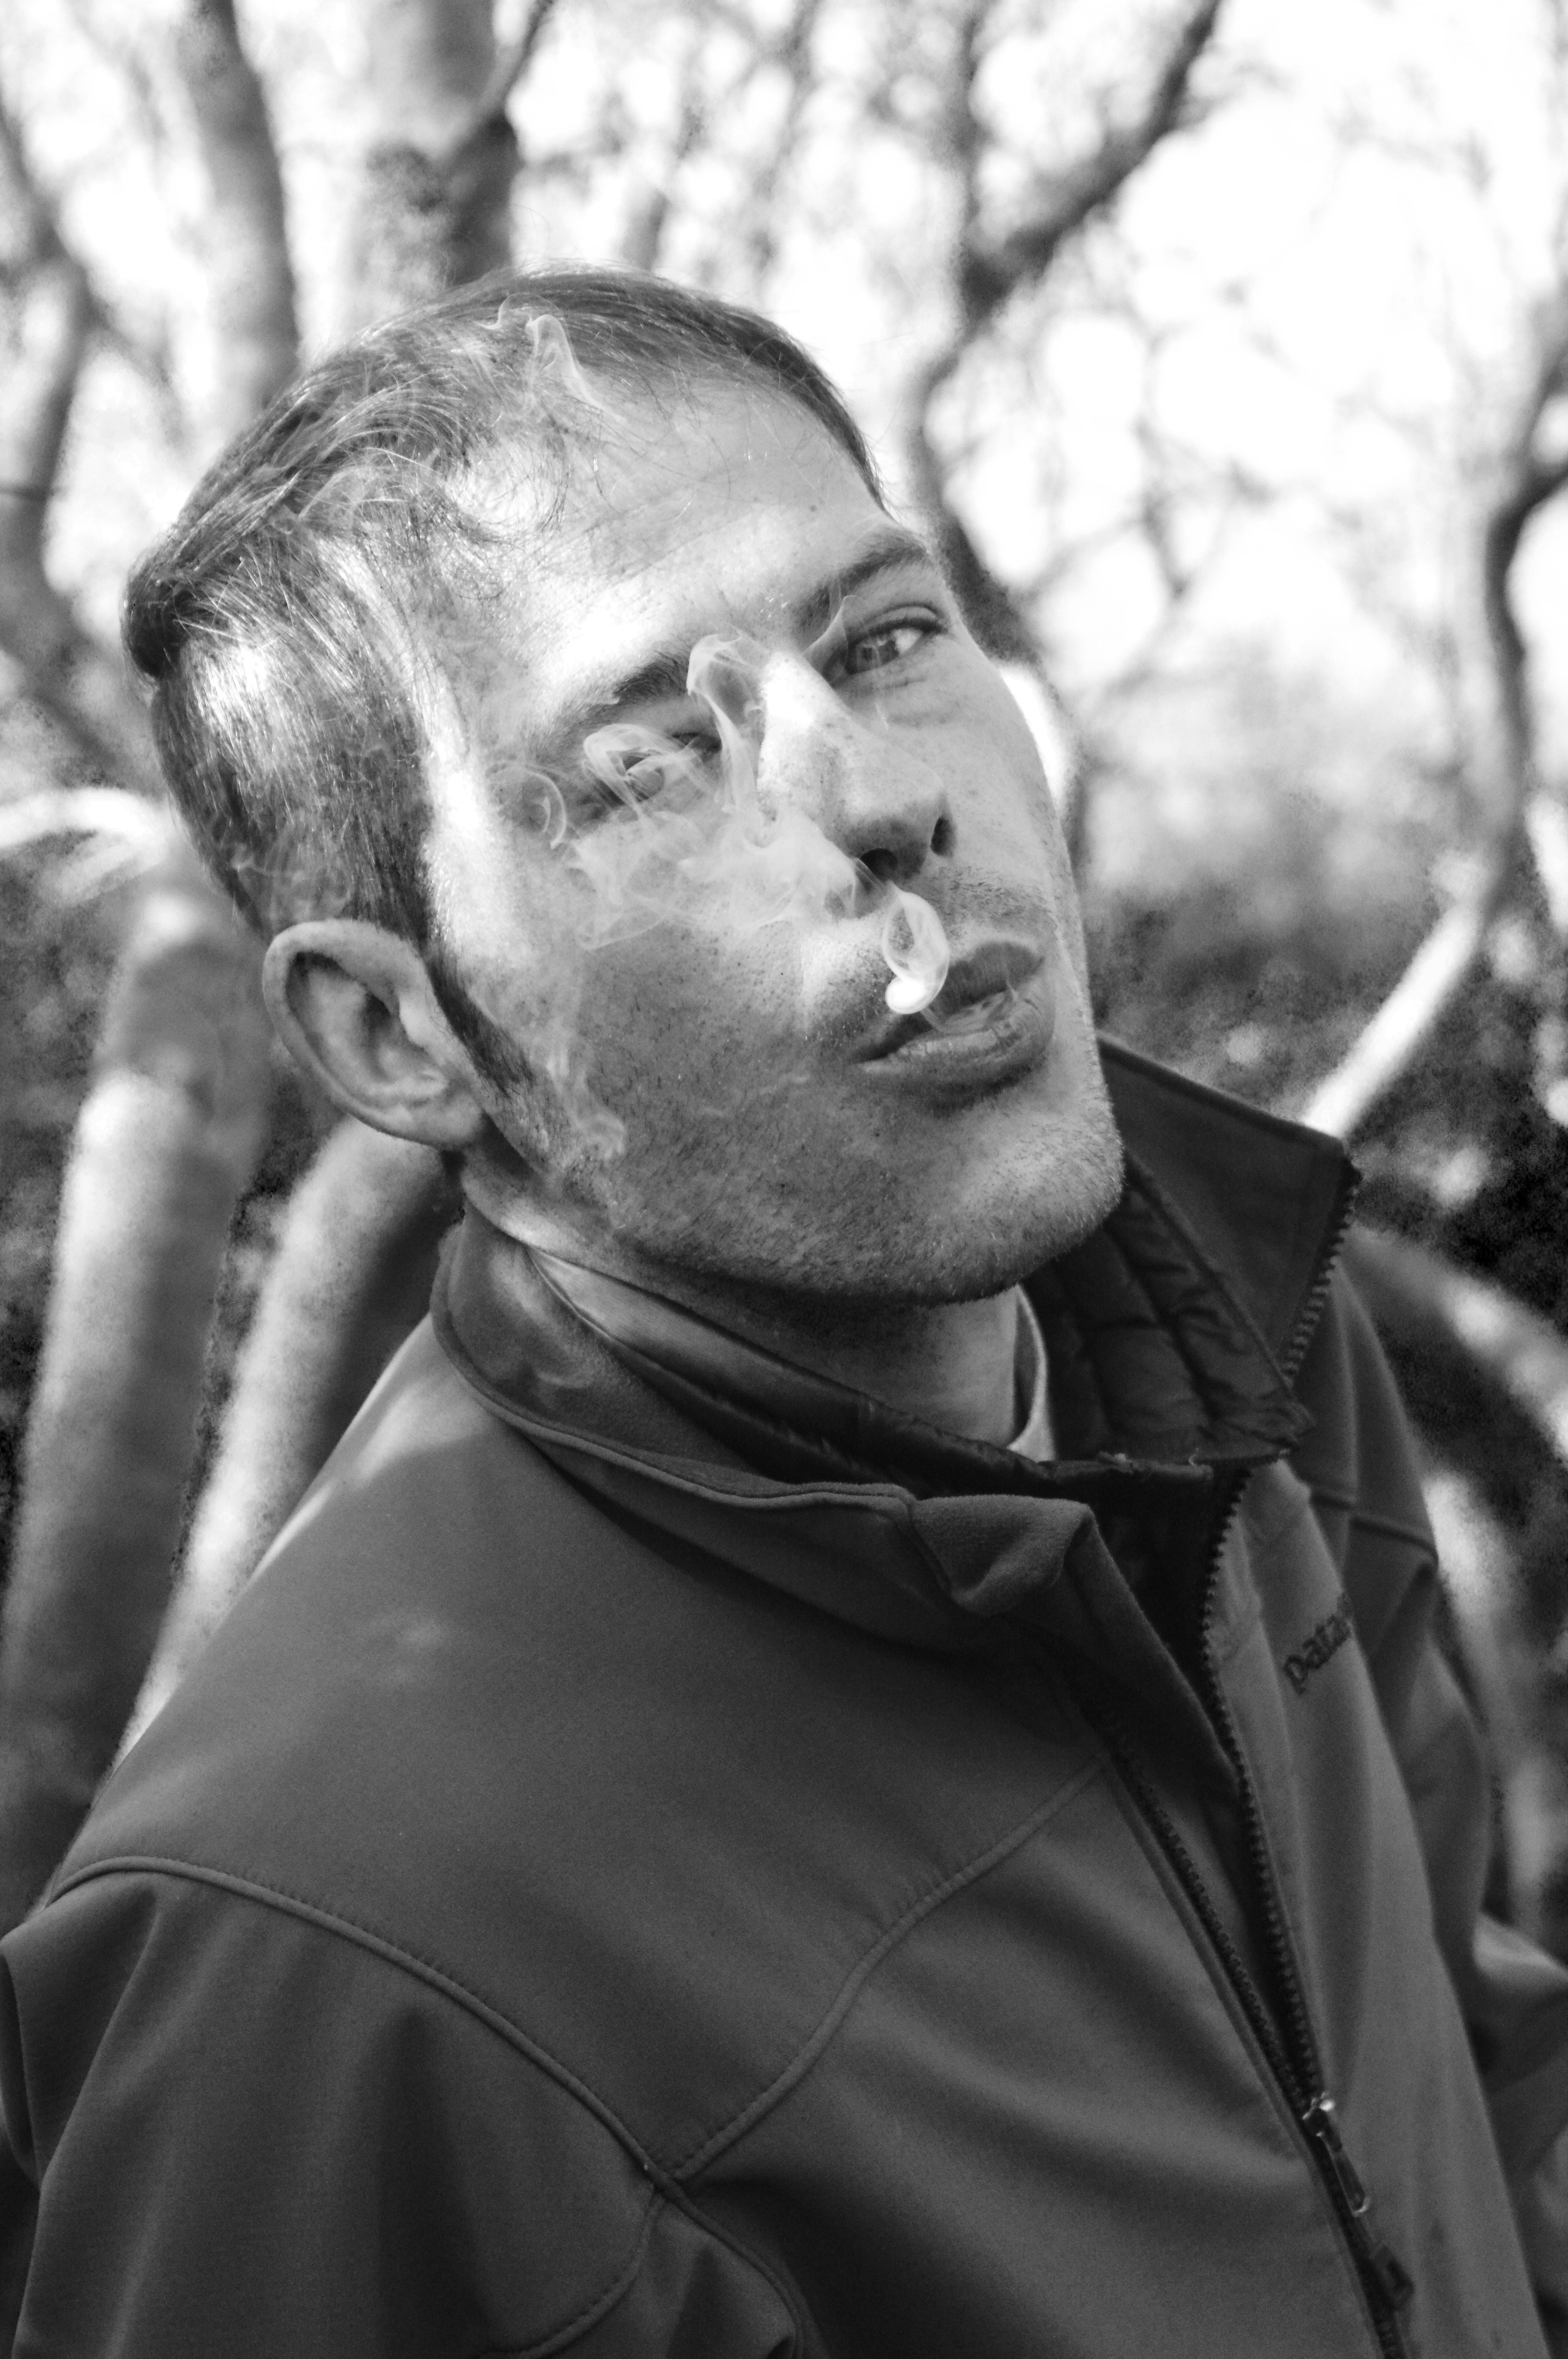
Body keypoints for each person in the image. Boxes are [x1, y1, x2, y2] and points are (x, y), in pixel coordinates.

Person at [2, 265, 1566, 2359]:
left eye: (887, 638)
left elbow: (1473, 2083)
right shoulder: (332, 1970)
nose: (874, 792)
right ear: (395, 1033)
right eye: (650, 756)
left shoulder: (1236, 1340)